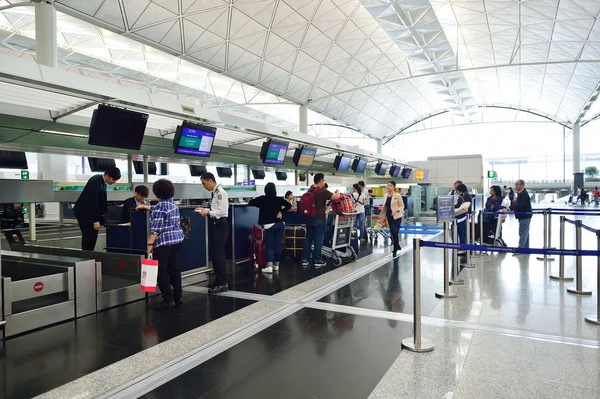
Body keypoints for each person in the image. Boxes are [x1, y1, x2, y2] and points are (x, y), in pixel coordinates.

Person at [137, 179, 184, 309]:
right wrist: (147, 207)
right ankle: (178, 296)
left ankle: (168, 299)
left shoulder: (160, 207)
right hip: (177, 241)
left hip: (164, 243)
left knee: (161, 271)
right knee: (174, 269)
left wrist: (150, 245)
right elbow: (160, 210)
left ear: (158, 193)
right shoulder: (172, 204)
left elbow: (155, 229)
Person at [73, 166, 121, 250]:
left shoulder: (100, 181)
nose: (114, 182)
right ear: (107, 176)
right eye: (113, 180)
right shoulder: (96, 182)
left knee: (91, 238)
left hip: (89, 213)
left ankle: (88, 255)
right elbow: (92, 202)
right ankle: (86, 257)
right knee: (89, 238)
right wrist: (95, 221)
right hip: (86, 215)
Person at [196, 172, 229, 293]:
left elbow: (222, 211)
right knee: (215, 255)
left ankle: (223, 283)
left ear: (210, 180)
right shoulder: (215, 192)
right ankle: (219, 281)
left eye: (204, 183)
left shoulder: (220, 193)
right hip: (217, 225)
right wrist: (206, 210)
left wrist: (208, 213)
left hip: (220, 225)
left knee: (218, 255)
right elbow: (216, 209)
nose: (204, 186)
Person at [248, 182, 292, 273]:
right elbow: (289, 205)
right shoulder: (278, 199)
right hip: (280, 224)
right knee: (278, 245)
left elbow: (250, 202)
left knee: (269, 246)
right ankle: (277, 265)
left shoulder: (262, 199)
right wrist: (281, 212)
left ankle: (269, 266)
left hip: (269, 226)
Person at [302, 173, 340, 267]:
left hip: (309, 218)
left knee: (308, 238)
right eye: (323, 180)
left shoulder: (310, 190)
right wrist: (338, 191)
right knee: (318, 239)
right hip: (319, 218)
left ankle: (305, 260)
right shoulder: (322, 191)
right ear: (321, 180)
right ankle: (317, 260)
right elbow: (336, 197)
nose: (323, 182)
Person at [377, 181, 404, 257]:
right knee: (392, 231)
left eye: (390, 186)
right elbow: (385, 207)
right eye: (388, 185)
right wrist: (383, 217)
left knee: (395, 231)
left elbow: (402, 206)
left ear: (394, 187)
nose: (388, 187)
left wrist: (397, 210)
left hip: (397, 216)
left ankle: (395, 249)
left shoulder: (397, 195)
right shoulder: (385, 195)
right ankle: (397, 245)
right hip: (389, 216)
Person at [510, 179, 532, 252]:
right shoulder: (520, 193)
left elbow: (522, 205)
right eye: (515, 184)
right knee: (525, 232)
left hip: (525, 215)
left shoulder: (524, 194)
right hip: (523, 215)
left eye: (517, 184)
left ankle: (521, 248)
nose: (516, 185)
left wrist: (512, 207)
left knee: (522, 232)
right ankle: (526, 248)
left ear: (522, 185)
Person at [454, 183, 472, 255]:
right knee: (465, 232)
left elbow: (458, 205)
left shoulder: (462, 195)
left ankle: (463, 248)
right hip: (466, 215)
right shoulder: (468, 194)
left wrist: (451, 205)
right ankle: (465, 246)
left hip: (461, 216)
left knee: (461, 232)